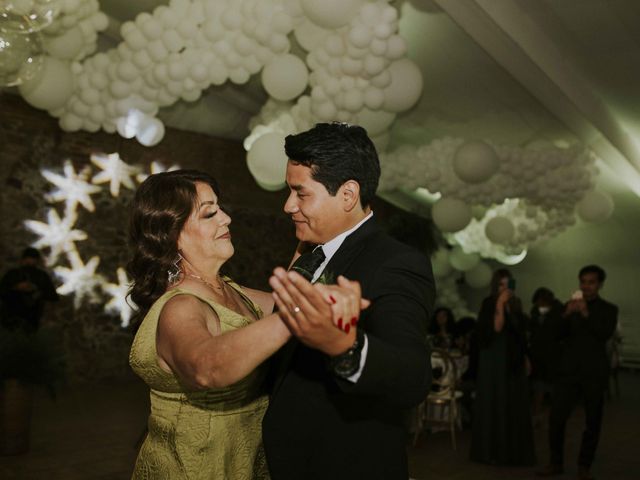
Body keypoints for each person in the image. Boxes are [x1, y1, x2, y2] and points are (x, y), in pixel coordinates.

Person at [126, 170, 363, 480]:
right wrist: (300, 314)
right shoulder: (179, 307)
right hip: (197, 466)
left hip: (247, 457)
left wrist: (312, 234)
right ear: (174, 234)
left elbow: (286, 299)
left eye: (220, 208)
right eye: (210, 213)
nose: (226, 218)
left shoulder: (229, 290)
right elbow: (205, 367)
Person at [262, 122, 435, 480]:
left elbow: (412, 376)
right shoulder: (310, 253)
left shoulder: (397, 262)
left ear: (347, 194)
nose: (287, 205)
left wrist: (345, 347)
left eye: (301, 193)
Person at [537, 265, 618, 480]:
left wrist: (585, 313)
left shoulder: (609, 309)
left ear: (600, 284)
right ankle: (556, 463)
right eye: (583, 281)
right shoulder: (569, 306)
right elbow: (551, 334)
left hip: (594, 373)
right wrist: (565, 314)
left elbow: (603, 333)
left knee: (592, 422)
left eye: (591, 282)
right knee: (556, 418)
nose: (586, 286)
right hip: (569, 372)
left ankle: (584, 466)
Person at [470, 269, 535, 466]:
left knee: (513, 401)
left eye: (508, 285)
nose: (505, 289)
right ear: (495, 286)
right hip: (494, 358)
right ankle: (491, 451)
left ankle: (512, 451)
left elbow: (521, 335)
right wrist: (500, 302)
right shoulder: (489, 303)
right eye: (501, 285)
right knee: (495, 400)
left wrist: (526, 357)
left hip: (513, 358)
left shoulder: (517, 306)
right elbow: (495, 329)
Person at [0, 247, 58, 333]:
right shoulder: (13, 274)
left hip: (31, 319)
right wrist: (16, 288)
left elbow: (52, 296)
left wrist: (37, 290)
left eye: (32, 259)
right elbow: (2, 291)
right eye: (28, 259)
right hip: (10, 317)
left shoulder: (41, 276)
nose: (30, 261)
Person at [528, 287, 564, 421]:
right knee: (539, 387)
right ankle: (537, 414)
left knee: (552, 388)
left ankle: (555, 416)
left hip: (553, 356)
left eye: (540, 303)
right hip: (539, 355)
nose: (539, 306)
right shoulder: (535, 312)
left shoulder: (559, 311)